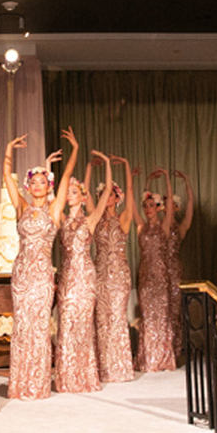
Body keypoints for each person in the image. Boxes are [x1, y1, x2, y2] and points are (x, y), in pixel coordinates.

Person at [3, 127, 78, 401]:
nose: (37, 185)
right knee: (22, 327)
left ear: (49, 187)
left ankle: (38, 382)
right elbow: (6, 177)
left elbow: (66, 176)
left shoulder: (54, 210)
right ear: (28, 186)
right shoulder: (22, 207)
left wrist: (75, 149)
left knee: (39, 328)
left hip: (43, 277)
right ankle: (20, 382)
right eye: (33, 182)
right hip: (21, 276)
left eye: (42, 182)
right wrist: (8, 150)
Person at [53, 150, 114, 393]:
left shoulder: (90, 220)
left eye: (73, 192)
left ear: (82, 195)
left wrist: (107, 163)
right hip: (68, 277)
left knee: (84, 325)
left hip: (86, 277)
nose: (69, 195)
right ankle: (67, 377)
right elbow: (51, 197)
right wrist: (47, 165)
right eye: (67, 192)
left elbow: (106, 192)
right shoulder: (60, 218)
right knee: (67, 324)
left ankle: (85, 376)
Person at [91, 155, 136, 382]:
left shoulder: (123, 218)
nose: (105, 197)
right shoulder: (96, 219)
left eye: (109, 194)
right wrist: (89, 166)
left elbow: (130, 189)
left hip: (119, 275)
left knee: (117, 317)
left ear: (117, 198)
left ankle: (120, 367)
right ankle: (104, 367)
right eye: (102, 194)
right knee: (102, 319)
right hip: (99, 273)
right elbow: (86, 195)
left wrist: (126, 165)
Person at [134, 168, 175, 372]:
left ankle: (163, 357)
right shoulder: (141, 226)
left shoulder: (164, 225)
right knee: (148, 317)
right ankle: (148, 358)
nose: (148, 209)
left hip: (160, 278)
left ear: (158, 208)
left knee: (162, 316)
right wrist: (145, 182)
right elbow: (133, 205)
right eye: (145, 206)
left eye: (152, 206)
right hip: (145, 277)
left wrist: (166, 177)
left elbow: (170, 206)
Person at [164, 170, 195, 361]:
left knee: (175, 310)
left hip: (174, 270)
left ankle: (176, 348)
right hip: (158, 270)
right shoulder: (158, 226)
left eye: (171, 204)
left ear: (176, 208)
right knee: (161, 310)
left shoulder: (179, 228)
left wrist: (187, 183)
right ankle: (162, 350)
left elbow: (190, 207)